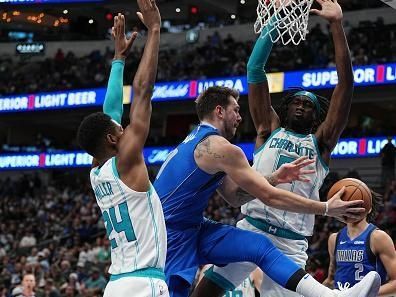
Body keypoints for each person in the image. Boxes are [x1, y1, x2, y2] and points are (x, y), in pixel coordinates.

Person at [195, 0, 357, 296]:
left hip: (290, 242)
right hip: (252, 229)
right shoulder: (267, 129)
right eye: (296, 102)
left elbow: (345, 85)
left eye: (308, 105)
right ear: (287, 107)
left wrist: (336, 25)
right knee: (203, 294)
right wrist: (275, 20)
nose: (301, 106)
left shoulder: (321, 143)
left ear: (316, 116)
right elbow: (254, 68)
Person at [153, 85, 378, 297]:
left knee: (259, 245)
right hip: (173, 235)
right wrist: (327, 208)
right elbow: (269, 196)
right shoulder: (219, 147)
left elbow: (233, 197)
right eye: (236, 111)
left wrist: (273, 177)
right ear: (219, 111)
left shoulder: (200, 143)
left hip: (194, 225)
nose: (241, 118)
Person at [77, 1, 168, 296]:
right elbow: (142, 91)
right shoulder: (126, 162)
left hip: (116, 285)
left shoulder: (96, 172)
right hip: (145, 282)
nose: (125, 127)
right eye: (121, 129)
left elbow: (110, 112)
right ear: (114, 140)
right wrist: (154, 30)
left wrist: (119, 60)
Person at [323, 190, 396, 296]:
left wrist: (362, 294)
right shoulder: (334, 239)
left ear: (369, 208)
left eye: (357, 204)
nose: (352, 207)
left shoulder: (378, 237)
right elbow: (331, 280)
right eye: (348, 203)